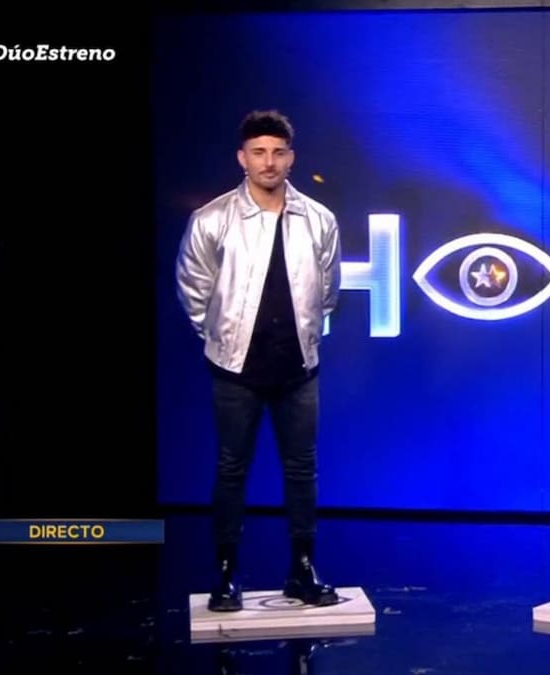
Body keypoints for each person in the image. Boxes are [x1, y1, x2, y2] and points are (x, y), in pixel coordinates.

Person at [175, 109, 342, 611]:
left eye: (277, 152)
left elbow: (328, 290)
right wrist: (223, 339)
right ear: (242, 158)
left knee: (302, 470)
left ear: (291, 159)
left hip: (298, 367)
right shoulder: (211, 219)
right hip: (235, 369)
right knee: (231, 469)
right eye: (258, 152)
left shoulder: (319, 219)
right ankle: (226, 574)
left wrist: (305, 336)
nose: (268, 162)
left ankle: (303, 570)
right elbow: (193, 289)